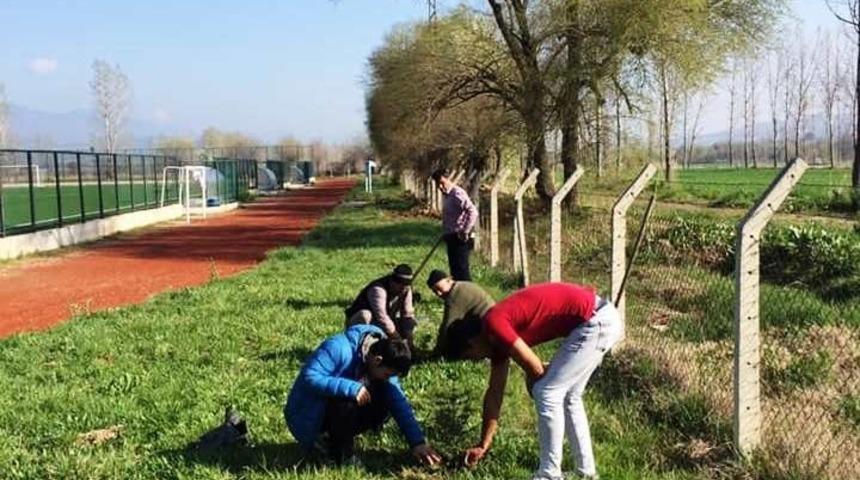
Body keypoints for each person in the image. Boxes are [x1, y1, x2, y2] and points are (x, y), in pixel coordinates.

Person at [443, 282, 624, 480]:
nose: (477, 360)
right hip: (600, 319)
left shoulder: (494, 323)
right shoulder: (495, 343)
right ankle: (586, 473)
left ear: (471, 343)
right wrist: (483, 444)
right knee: (569, 396)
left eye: (471, 356)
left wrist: (537, 380)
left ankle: (549, 474)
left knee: (547, 392)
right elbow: (495, 393)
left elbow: (535, 368)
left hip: (595, 321)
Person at [284, 324, 443, 466]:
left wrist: (417, 443)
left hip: (337, 411)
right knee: (347, 399)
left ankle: (335, 440)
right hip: (307, 414)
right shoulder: (338, 348)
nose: (387, 378)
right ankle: (337, 453)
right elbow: (310, 377)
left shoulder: (386, 359)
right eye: (387, 374)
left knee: (386, 397)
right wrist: (351, 387)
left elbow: (398, 401)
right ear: (377, 360)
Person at [425, 269, 495, 356]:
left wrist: (437, 351)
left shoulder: (455, 294)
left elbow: (446, 325)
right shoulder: (462, 285)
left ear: (449, 280)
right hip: (489, 323)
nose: (439, 294)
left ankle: (472, 352)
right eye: (435, 292)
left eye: (439, 288)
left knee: (453, 332)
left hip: (488, 327)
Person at [345, 264, 417, 345]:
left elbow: (407, 314)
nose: (403, 289)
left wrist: (409, 338)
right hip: (365, 321)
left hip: (383, 323)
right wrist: (399, 340)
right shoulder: (378, 289)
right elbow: (382, 318)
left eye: (406, 286)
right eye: (400, 285)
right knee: (365, 315)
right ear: (393, 281)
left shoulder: (406, 289)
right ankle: (358, 343)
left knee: (410, 325)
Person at [431, 168, 478, 281]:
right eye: (438, 184)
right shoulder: (447, 195)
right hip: (451, 237)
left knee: (462, 272)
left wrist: (465, 231)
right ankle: (457, 291)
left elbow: (473, 212)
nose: (440, 187)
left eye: (442, 183)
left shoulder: (457, 193)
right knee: (455, 272)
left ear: (449, 179)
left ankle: (467, 291)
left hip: (460, 239)